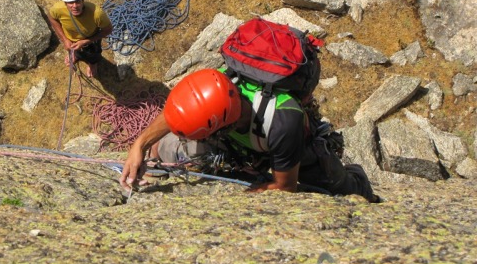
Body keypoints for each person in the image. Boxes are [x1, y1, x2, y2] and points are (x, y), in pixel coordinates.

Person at [119, 68, 379, 202]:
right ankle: (158, 155)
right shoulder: (219, 85)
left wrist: (239, 199)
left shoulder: (283, 121)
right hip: (243, 141)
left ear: (220, 129)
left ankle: (362, 184)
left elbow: (284, 187)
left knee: (341, 189)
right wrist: (141, 145)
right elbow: (180, 110)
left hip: (295, 147)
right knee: (170, 147)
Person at [48, 0, 113, 78]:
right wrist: (65, 40)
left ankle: (92, 64)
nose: (74, 6)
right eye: (70, 2)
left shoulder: (97, 13)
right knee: (75, 50)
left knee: (93, 54)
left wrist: (86, 41)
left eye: (77, 1)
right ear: (65, 3)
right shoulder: (58, 9)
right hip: (71, 40)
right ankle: (76, 55)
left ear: (83, 0)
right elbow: (51, 17)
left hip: (91, 40)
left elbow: (108, 29)